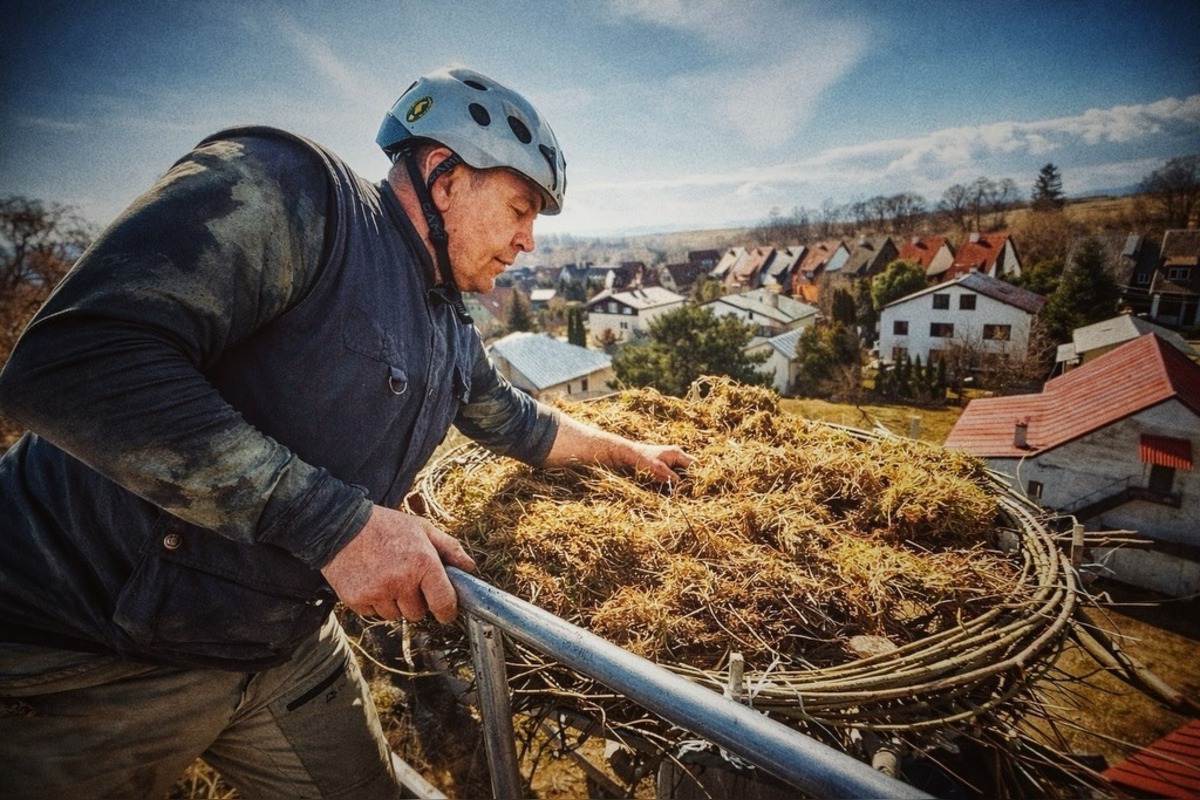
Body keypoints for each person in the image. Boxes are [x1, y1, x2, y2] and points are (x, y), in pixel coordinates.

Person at [0, 65, 691, 798]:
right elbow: (75, 363)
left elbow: (515, 421)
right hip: (81, 652)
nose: (527, 240)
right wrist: (341, 528)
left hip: (277, 649)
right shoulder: (293, 194)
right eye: (521, 208)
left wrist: (630, 451)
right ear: (444, 175)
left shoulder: (447, 326)